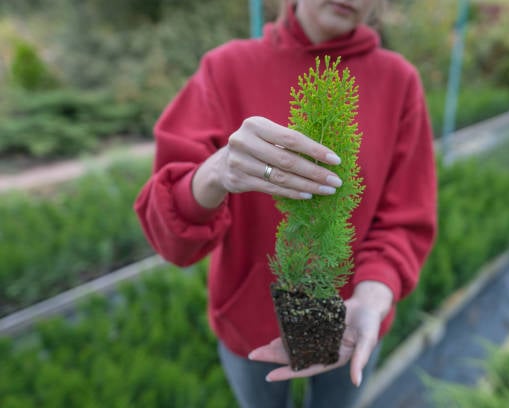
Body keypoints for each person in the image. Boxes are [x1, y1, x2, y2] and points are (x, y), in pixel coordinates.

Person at [134, 0, 437, 406]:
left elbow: (404, 216)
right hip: (248, 321)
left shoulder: (397, 80)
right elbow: (171, 234)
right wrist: (215, 172)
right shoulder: (227, 69)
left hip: (349, 316)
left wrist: (373, 295)